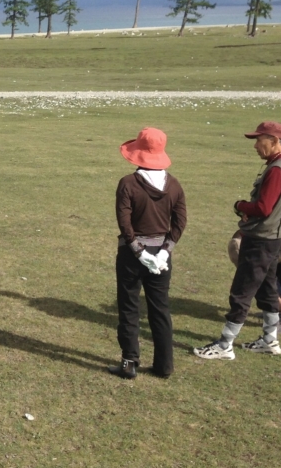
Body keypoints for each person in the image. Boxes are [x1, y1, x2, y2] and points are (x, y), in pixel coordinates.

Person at [194, 121, 281, 360]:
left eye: (258, 140)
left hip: (260, 239)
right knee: (267, 288)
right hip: (275, 237)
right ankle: (270, 340)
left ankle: (225, 345)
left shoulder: (276, 170)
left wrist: (240, 206)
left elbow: (263, 207)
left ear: (274, 141)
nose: (255, 146)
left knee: (242, 291)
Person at [109, 128, 187, 380]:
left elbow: (125, 222)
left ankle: (129, 362)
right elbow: (180, 221)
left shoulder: (128, 183)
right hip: (161, 254)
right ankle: (164, 365)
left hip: (133, 255)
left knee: (129, 306)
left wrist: (138, 251)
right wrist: (166, 251)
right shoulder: (174, 185)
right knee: (160, 308)